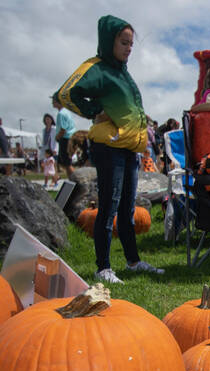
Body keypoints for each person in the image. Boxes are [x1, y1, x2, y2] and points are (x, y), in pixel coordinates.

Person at [56, 14, 163, 284]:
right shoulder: (98, 68)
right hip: (109, 148)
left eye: (131, 44)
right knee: (109, 206)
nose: (129, 48)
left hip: (129, 149)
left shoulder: (122, 73)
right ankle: (103, 267)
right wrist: (95, 111)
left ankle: (133, 262)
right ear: (109, 41)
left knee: (127, 208)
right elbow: (67, 93)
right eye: (124, 43)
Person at [52, 95, 75, 177]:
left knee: (67, 163)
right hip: (70, 138)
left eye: (54, 101)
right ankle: (72, 180)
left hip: (65, 138)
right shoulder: (66, 112)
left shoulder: (61, 114)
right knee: (66, 163)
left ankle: (75, 180)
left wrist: (57, 137)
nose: (53, 102)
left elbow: (63, 129)